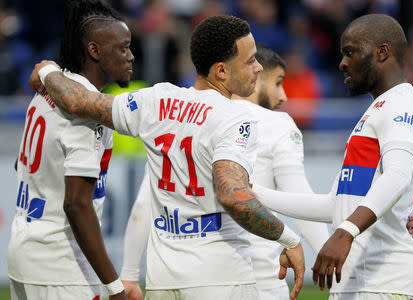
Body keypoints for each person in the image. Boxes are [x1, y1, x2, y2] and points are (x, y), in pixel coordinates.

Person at [28, 15, 305, 300]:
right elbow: (232, 195)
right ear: (221, 71)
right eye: (250, 61)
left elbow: (77, 101)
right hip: (220, 279)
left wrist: (49, 71)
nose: (258, 67)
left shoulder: (155, 100)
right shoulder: (238, 119)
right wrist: (288, 238)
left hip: (162, 280)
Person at [119, 44, 330, 300]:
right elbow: (301, 202)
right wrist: (336, 266)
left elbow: (144, 207)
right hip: (250, 281)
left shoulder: (180, 121)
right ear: (255, 77)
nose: (283, 95)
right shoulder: (277, 124)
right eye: (277, 82)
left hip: (173, 276)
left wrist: (129, 274)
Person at [252, 14, 413, 300]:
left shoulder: (404, 105)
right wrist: (252, 193)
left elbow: (397, 175)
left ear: (382, 52)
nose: (342, 63)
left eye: (350, 52)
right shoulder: (377, 110)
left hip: (383, 282)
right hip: (358, 280)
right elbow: (335, 206)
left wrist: (346, 231)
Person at [8, 0, 134, 299]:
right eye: (123, 47)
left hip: (24, 250)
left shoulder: (44, 93)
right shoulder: (87, 112)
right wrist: (115, 287)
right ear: (94, 51)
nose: (131, 57)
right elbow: (76, 204)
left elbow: (21, 164)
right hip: (60, 262)